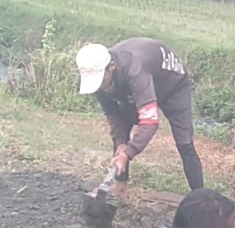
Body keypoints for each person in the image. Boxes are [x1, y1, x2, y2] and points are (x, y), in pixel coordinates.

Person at [76, 38, 204, 197]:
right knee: (121, 135)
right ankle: (119, 186)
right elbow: (114, 115)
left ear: (111, 67)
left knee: (184, 143)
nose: (99, 86)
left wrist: (128, 153)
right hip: (141, 85)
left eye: (101, 80)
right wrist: (121, 144)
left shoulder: (135, 72)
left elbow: (150, 123)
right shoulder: (97, 78)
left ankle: (200, 198)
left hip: (172, 85)